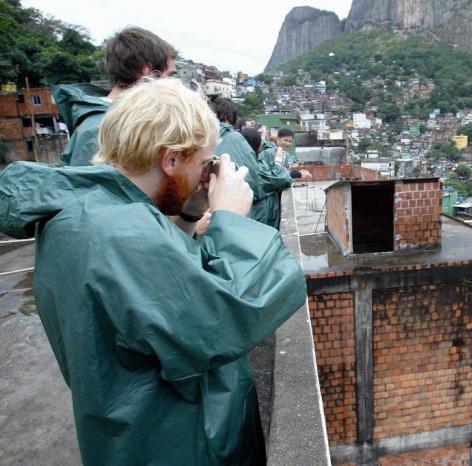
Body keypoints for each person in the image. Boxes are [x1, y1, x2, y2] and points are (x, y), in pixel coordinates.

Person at [0, 78, 307, 465]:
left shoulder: (86, 211)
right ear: (171, 160)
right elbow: (227, 318)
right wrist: (232, 220)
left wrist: (190, 212)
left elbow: (159, 304)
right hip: (177, 442)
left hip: (124, 430)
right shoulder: (122, 235)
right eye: (204, 163)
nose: (206, 174)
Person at [54, 26, 177, 166]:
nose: (175, 86)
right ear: (147, 71)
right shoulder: (100, 127)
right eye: (170, 76)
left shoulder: (120, 119)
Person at [212, 97, 292, 229]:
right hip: (238, 218)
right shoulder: (234, 139)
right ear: (230, 117)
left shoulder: (201, 136)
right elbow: (257, 183)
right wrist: (278, 164)